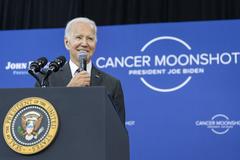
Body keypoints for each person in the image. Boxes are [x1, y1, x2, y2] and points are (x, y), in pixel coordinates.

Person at [38, 17, 125, 125]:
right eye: (79, 37)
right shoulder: (47, 78)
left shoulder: (112, 84)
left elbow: (119, 130)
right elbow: (40, 120)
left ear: (95, 44)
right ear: (67, 42)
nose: (84, 43)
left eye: (90, 38)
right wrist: (68, 92)